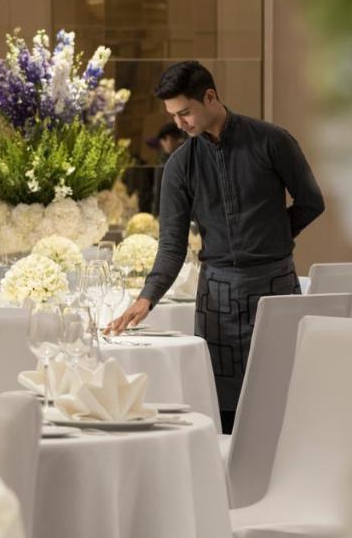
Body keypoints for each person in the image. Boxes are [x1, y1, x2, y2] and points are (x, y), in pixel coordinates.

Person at [108, 61, 325, 433]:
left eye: (185, 112)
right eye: (174, 116)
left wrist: (271, 238)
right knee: (221, 411)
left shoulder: (272, 141)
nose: (180, 124)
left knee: (283, 405)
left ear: (210, 97)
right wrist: (147, 298)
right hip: (217, 299)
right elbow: (172, 246)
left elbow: (311, 202)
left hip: (276, 288)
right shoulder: (179, 166)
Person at [148, 122, 185, 216]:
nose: (162, 147)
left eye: (162, 142)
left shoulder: (170, 160)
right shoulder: (188, 151)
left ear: (168, 139)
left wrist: (156, 215)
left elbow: (159, 193)